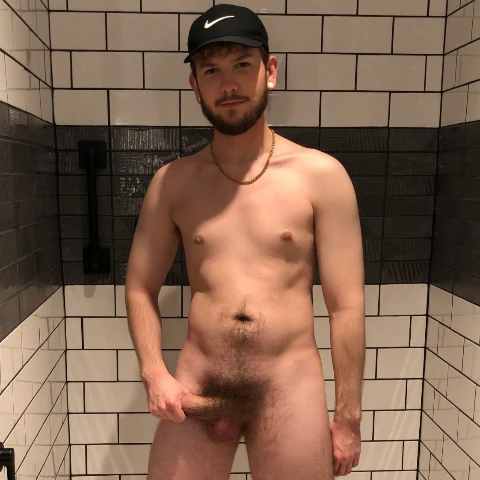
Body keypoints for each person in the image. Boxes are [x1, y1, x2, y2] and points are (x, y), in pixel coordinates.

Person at [125, 4, 365, 479]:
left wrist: (348, 417)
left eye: (241, 64)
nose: (228, 84)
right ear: (195, 85)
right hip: (199, 383)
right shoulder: (173, 183)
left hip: (289, 385)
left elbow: (346, 306)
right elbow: (139, 287)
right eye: (211, 70)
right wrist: (154, 373)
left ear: (269, 70)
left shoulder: (321, 176)